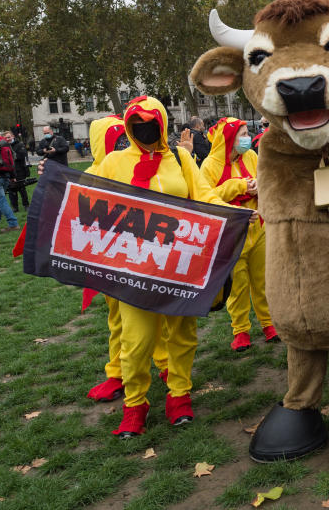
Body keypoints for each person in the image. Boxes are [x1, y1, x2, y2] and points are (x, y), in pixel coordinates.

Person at [95, 96, 233, 436]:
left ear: (163, 123)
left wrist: (236, 215)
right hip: (133, 267)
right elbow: (83, 192)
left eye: (150, 121)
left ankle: (179, 396)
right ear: (128, 126)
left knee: (182, 335)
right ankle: (135, 404)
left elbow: (203, 194)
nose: (144, 128)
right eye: (136, 123)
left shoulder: (181, 158)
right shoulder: (113, 161)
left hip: (180, 264)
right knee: (136, 341)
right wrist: (52, 179)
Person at [82, 115, 170, 404]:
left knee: (160, 313)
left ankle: (166, 363)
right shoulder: (96, 173)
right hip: (115, 261)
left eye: (125, 138)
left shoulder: (147, 163)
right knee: (119, 319)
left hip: (152, 255)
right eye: (116, 140)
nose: (125, 145)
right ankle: (118, 372)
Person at [200, 117, 279, 351]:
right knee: (238, 285)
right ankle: (241, 330)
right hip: (231, 235)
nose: (247, 137)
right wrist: (240, 186)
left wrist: (258, 186)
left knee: (263, 280)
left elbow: (267, 181)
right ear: (229, 138)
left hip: (259, 227)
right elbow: (207, 198)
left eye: (247, 133)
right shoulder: (209, 165)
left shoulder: (251, 157)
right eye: (242, 133)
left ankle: (268, 323)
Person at [5, 131, 31, 213]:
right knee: (12, 190)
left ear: (12, 136)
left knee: (22, 188)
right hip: (10, 171)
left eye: (9, 137)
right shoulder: (5, 146)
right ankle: (15, 207)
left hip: (20, 170)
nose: (7, 139)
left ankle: (26, 205)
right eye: (6, 138)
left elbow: (22, 155)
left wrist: (11, 156)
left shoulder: (19, 144)